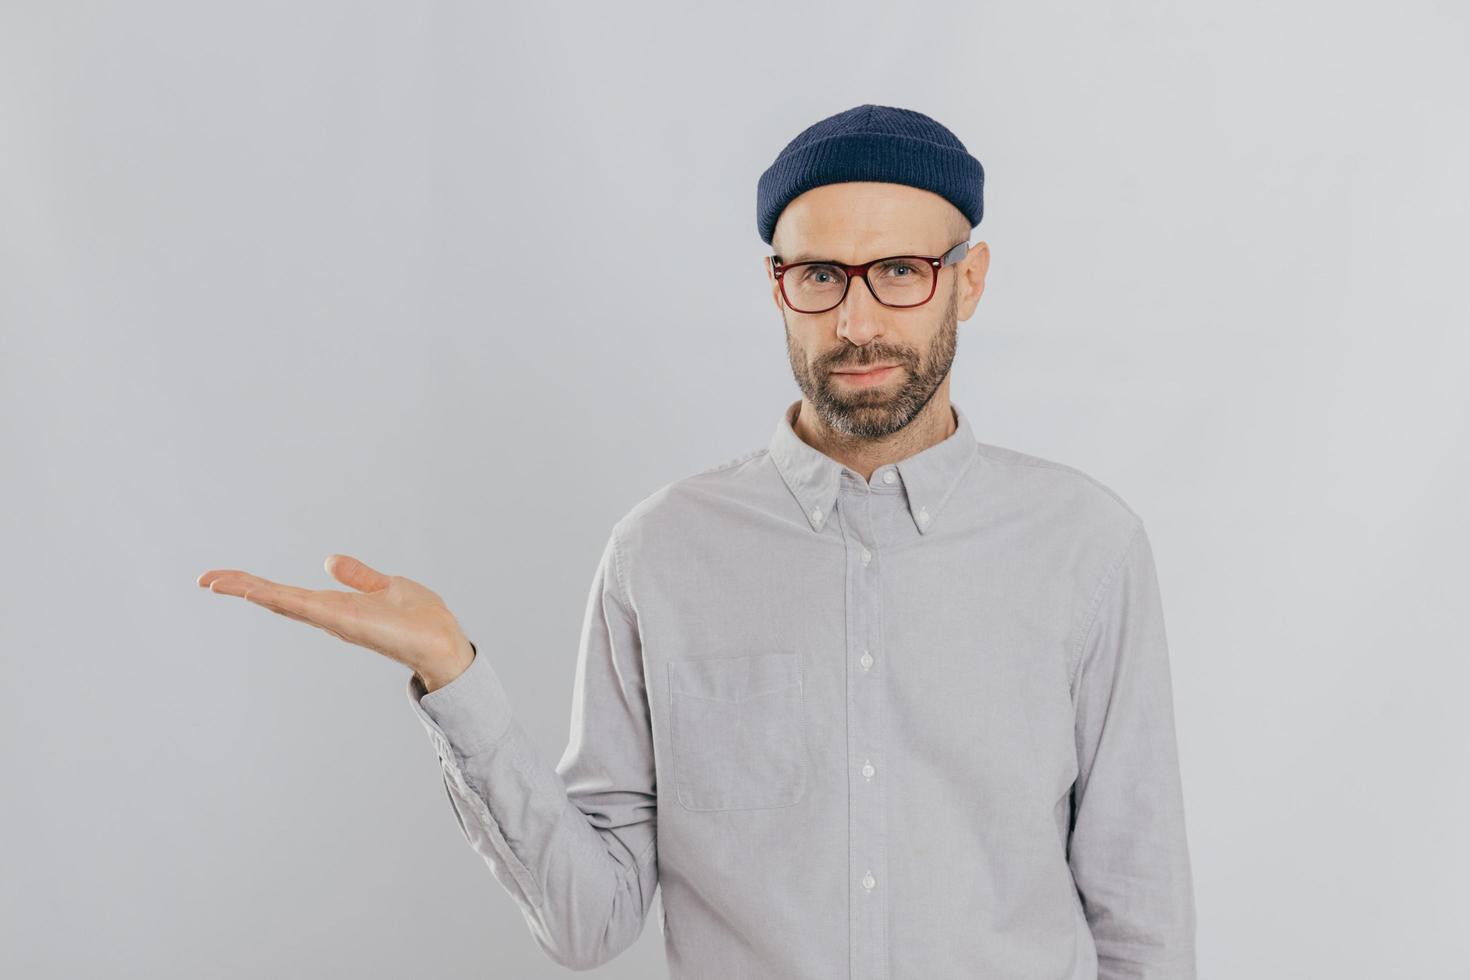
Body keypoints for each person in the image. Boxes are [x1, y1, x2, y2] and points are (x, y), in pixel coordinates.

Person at [199, 103, 1197, 979]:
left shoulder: (1086, 547)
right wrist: (453, 677)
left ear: (967, 282)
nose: (856, 321)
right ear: (777, 286)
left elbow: (1140, 919)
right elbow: (589, 921)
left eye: (901, 270)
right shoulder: (661, 555)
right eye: (820, 274)